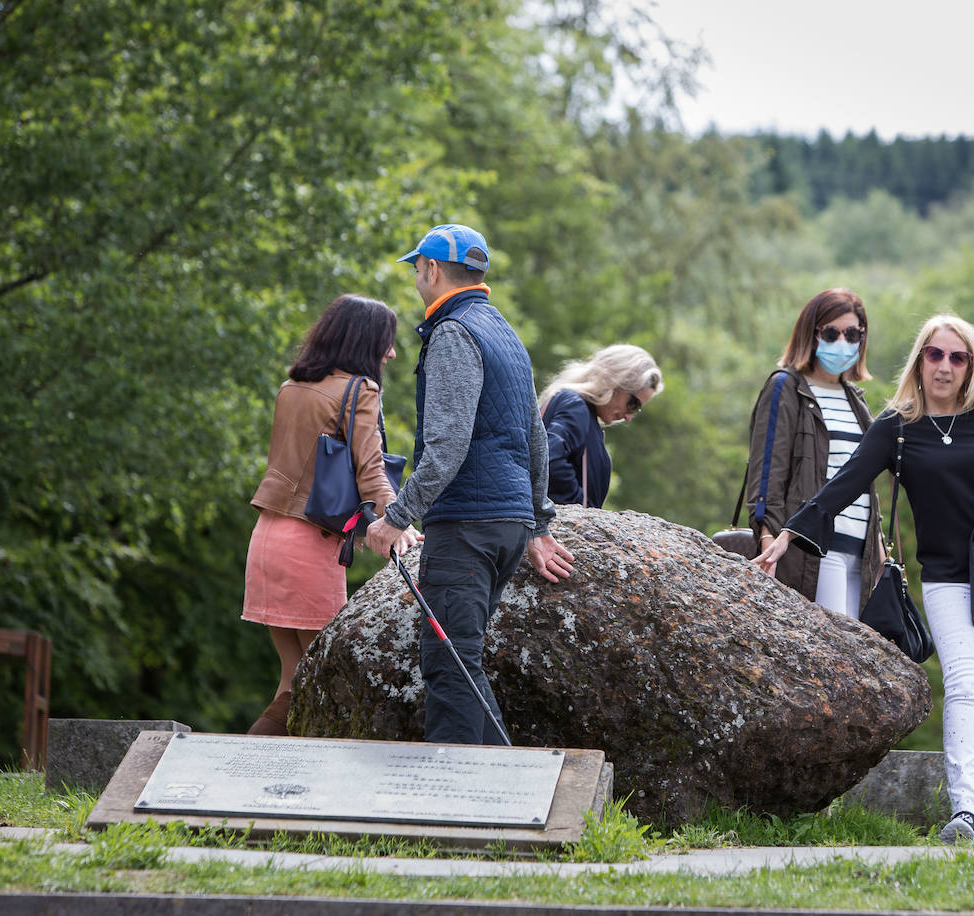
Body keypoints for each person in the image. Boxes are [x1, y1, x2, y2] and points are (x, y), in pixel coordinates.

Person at [754, 314, 974, 843]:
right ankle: (964, 811)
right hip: (948, 578)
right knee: (966, 686)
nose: (945, 366)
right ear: (919, 360)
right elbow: (845, 484)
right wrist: (787, 534)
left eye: (958, 357)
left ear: (972, 365)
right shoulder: (896, 426)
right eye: (935, 354)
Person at [364, 223, 574, 746]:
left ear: (432, 270)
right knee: (463, 661)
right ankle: (510, 790)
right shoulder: (503, 331)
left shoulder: (454, 333)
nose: (416, 277)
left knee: (448, 665)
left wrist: (395, 518)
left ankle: (454, 813)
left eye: (416, 268)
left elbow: (446, 447)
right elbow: (536, 438)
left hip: (467, 527)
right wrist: (537, 522)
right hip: (506, 526)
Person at [243, 294, 420, 735]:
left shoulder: (292, 388)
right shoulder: (360, 390)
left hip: (267, 536)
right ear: (364, 340)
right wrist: (401, 523)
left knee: (293, 682)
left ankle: (246, 779)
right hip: (308, 542)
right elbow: (371, 469)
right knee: (322, 682)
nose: (392, 353)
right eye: (387, 341)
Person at [743, 288, 883, 619]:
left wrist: (877, 545)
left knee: (853, 658)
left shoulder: (857, 401)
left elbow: (861, 478)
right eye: (831, 333)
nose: (842, 342)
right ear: (812, 333)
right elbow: (767, 472)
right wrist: (768, 539)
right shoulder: (786, 388)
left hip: (860, 554)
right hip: (815, 548)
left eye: (852, 334)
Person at [538, 344, 664, 508]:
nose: (628, 417)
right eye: (633, 404)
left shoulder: (580, 409)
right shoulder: (576, 405)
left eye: (636, 410)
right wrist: (581, 508)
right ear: (616, 383)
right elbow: (550, 460)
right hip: (553, 527)